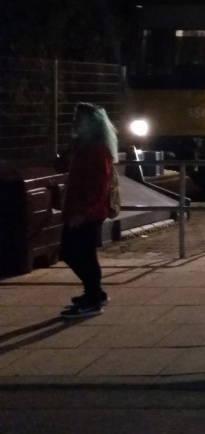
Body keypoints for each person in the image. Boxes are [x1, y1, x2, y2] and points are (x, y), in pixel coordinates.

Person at [58, 103, 118, 319]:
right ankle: (94, 293)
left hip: (88, 211)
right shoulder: (84, 145)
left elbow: (97, 184)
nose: (74, 122)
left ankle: (93, 299)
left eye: (78, 119)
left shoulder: (97, 149)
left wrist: (82, 211)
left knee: (78, 253)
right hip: (81, 209)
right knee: (78, 252)